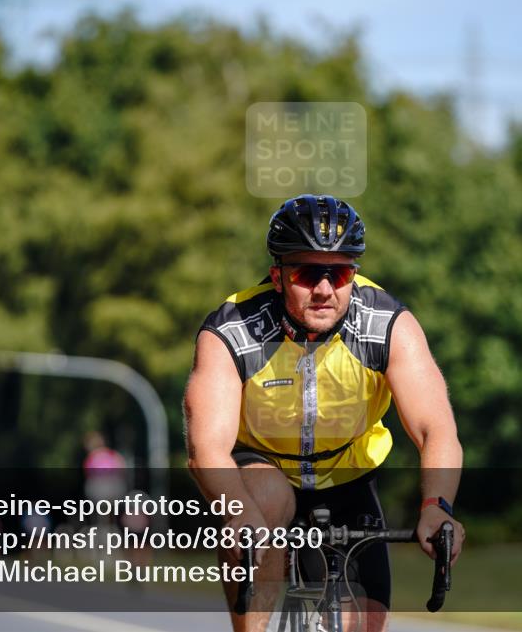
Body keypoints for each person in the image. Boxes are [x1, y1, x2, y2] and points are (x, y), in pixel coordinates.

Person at [183, 194, 465, 632]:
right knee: (267, 499)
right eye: (307, 272)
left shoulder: (387, 324)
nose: (324, 288)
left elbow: (437, 429)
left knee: (368, 622)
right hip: (261, 469)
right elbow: (207, 448)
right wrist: (237, 511)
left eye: (340, 272)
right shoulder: (231, 330)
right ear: (277, 276)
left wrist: (436, 507)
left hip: (348, 474)